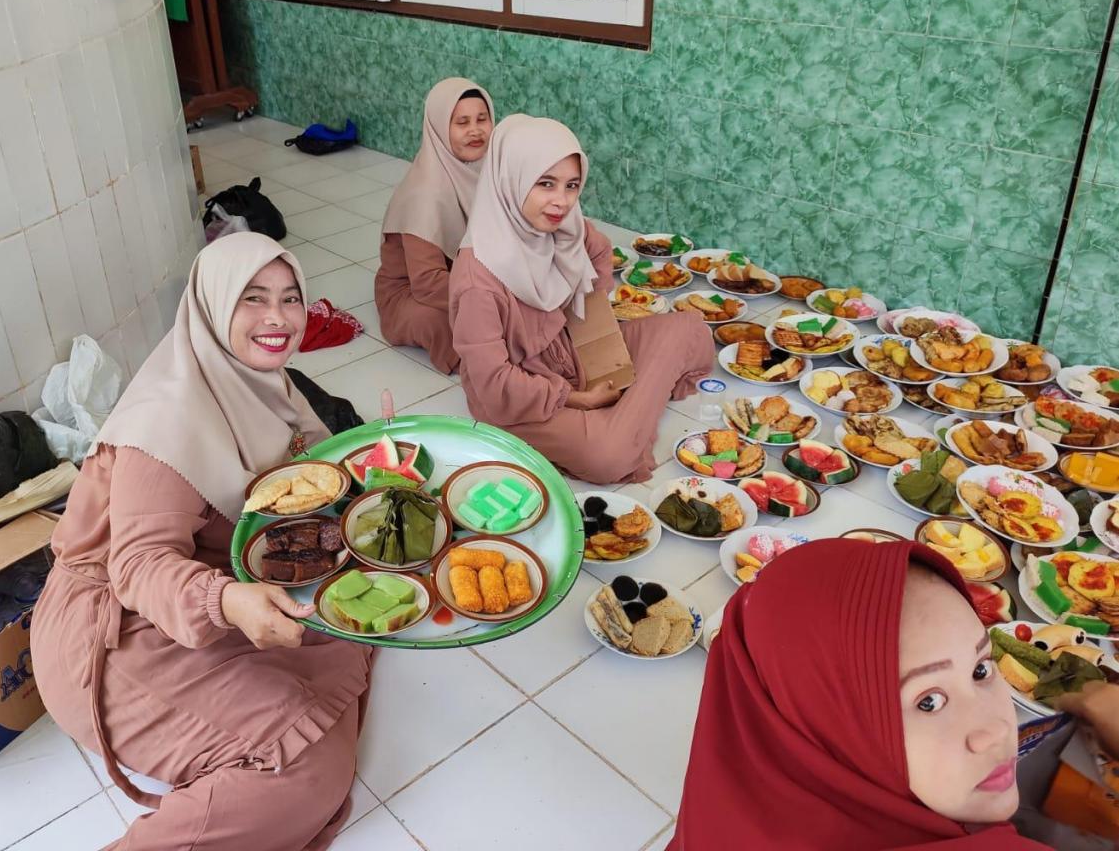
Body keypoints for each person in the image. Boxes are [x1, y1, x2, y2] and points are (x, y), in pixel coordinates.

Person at [31, 233, 372, 851]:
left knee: (362, 617)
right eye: (252, 298)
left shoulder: (266, 386)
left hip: (212, 587)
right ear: (212, 306)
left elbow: (310, 481)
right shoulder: (168, 417)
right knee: (305, 774)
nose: (278, 318)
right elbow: (139, 565)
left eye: (291, 298)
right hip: (115, 631)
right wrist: (227, 601)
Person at [670, 538, 1047, 850]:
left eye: (981, 670)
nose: (997, 731)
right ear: (827, 730)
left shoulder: (720, 815)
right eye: (928, 701)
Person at [447, 114, 712, 485]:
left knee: (691, 328)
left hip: (572, 353)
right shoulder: (478, 279)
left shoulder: (565, 227)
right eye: (545, 183)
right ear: (510, 180)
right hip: (522, 398)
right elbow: (495, 384)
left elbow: (599, 253)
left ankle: (624, 413)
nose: (561, 201)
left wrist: (592, 337)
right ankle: (625, 411)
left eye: (571, 185)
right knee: (607, 457)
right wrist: (576, 398)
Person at [375, 78, 494, 374]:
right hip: (414, 293)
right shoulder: (425, 195)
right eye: (462, 122)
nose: (475, 130)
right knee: (454, 326)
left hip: (470, 278)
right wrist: (492, 297)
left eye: (482, 119)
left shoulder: (489, 169)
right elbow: (427, 284)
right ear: (439, 128)